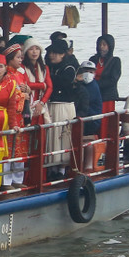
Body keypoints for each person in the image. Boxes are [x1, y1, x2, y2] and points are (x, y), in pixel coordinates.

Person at [0, 54, 26, 187]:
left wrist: (13, 124)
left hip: (3, 121)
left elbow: (12, 106)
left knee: (3, 151)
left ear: (5, 68)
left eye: (1, 66)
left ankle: (3, 182)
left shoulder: (11, 83)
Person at [44, 39, 79, 179]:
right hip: (52, 105)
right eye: (51, 52)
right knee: (52, 136)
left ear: (63, 54)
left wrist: (47, 78)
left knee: (63, 136)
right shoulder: (50, 67)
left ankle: (62, 168)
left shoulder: (69, 68)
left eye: (56, 53)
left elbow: (62, 83)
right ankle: (52, 167)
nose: (52, 55)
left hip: (64, 106)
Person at [92, 34, 121, 113]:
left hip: (107, 96)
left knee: (105, 120)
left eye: (104, 45)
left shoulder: (115, 61)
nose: (101, 47)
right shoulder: (93, 59)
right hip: (94, 95)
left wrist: (96, 84)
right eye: (100, 44)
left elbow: (113, 80)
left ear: (110, 46)